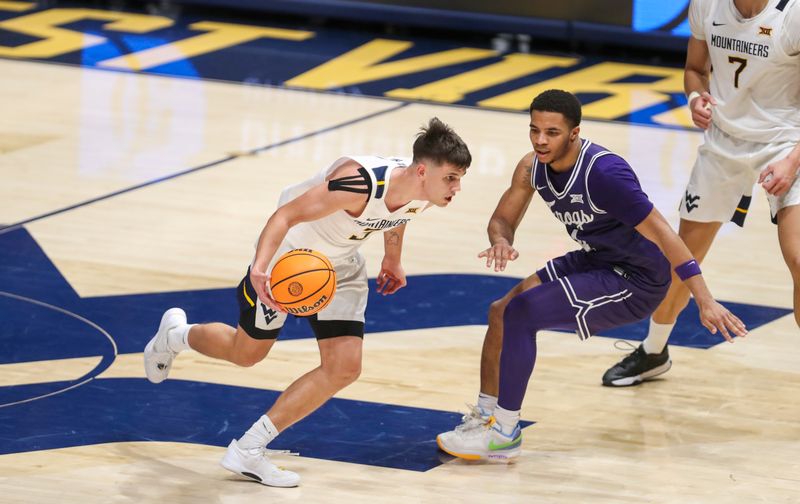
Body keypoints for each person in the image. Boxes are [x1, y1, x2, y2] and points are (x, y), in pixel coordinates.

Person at [143, 117, 471, 486]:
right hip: (289, 262)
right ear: (424, 170)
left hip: (340, 265)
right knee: (246, 353)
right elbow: (285, 215)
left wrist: (392, 258)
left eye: (459, 179)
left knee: (344, 367)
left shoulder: (422, 191)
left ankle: (249, 449)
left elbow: (399, 214)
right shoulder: (357, 182)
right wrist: (260, 268)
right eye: (451, 178)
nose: (457, 188)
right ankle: (177, 335)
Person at [436, 89, 747, 462]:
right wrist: (501, 241)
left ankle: (504, 432)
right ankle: (486, 417)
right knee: (502, 310)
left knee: (524, 312)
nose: (540, 140)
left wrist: (704, 297)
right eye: (534, 129)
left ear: (574, 133)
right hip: (597, 258)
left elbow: (665, 234)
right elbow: (502, 219)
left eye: (551, 132)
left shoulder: (604, 173)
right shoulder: (532, 166)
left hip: (637, 279)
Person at [602, 0, 800, 387]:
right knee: (681, 257)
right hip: (724, 143)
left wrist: (793, 162)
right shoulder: (706, 5)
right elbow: (695, 70)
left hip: (786, 143)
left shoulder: (792, 13)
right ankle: (654, 351)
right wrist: (696, 98)